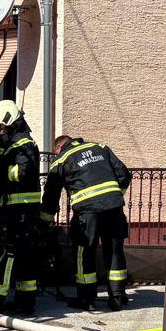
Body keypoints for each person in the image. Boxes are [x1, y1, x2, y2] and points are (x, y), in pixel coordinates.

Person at [43, 133, 132, 310]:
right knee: (114, 251)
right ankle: (117, 296)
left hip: (87, 212)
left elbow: (51, 195)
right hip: (113, 207)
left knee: (84, 253)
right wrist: (113, 196)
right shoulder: (100, 148)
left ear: (59, 147)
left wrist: (45, 220)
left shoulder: (62, 159)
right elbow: (124, 175)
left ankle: (87, 299)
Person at [0, 99, 44, 316]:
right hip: (18, 210)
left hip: (21, 211)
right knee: (24, 256)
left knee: (6, 255)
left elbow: (22, 172)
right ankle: (25, 303)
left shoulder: (23, 144)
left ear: (10, 123)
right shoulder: (11, 143)